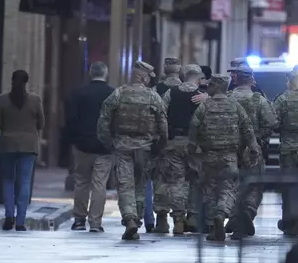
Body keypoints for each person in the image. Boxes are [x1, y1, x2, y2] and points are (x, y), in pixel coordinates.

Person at [97, 61, 168, 240]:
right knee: (140, 185)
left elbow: (104, 120)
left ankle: (130, 219)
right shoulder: (153, 97)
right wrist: (158, 146)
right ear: (143, 77)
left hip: (122, 146)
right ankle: (136, 218)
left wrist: (109, 143)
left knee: (125, 185)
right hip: (145, 148)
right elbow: (163, 125)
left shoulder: (118, 94)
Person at [187, 74, 260, 241]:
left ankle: (214, 225)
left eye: (211, 85)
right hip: (230, 156)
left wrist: (191, 152)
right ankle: (222, 213)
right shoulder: (235, 106)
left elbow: (193, 130)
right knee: (228, 189)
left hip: (209, 155)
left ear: (215, 87)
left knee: (210, 190)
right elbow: (247, 129)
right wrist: (254, 149)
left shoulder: (204, 107)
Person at [227, 65, 278, 239]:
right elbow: (271, 122)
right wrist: (259, 137)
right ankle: (247, 212)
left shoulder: (227, 98)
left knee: (232, 184)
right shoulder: (259, 100)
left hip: (230, 148)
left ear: (236, 79)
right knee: (253, 184)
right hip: (253, 149)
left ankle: (233, 216)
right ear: (251, 79)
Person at [153, 64, 204, 234]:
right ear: (198, 79)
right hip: (196, 145)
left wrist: (163, 138)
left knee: (176, 181)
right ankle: (194, 216)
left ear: (183, 76)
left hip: (174, 142)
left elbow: (161, 114)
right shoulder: (202, 96)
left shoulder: (171, 93)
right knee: (196, 181)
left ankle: (178, 219)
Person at [0, 70, 45, 231]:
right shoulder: (35, 100)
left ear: (12, 80)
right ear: (27, 82)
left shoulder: (1, 100)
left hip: (7, 144)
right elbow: (41, 124)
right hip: (28, 146)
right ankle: (20, 221)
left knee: (8, 181)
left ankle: (9, 215)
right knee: (25, 182)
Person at [65, 62, 115, 232]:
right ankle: (95, 222)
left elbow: (70, 120)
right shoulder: (112, 94)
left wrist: (73, 140)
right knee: (99, 184)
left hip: (82, 145)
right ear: (105, 73)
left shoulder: (77, 93)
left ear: (90, 73)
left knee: (81, 182)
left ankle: (79, 220)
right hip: (104, 146)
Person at [273, 66, 298, 236]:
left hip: (288, 148)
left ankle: (288, 220)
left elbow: (273, 122)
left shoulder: (282, 99)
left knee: (288, 185)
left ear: (290, 81)